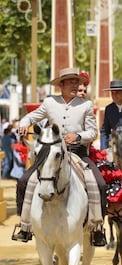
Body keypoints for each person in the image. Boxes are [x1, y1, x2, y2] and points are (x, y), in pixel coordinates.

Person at [12, 67, 107, 246]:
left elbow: (93, 131)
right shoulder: (49, 103)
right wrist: (24, 123)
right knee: (25, 181)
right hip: (50, 154)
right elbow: (31, 117)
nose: (75, 85)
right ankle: (25, 226)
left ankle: (97, 228)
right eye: (71, 82)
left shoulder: (86, 105)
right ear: (61, 86)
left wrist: (78, 137)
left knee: (99, 184)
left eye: (76, 82)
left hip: (76, 153)